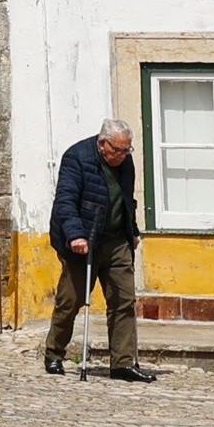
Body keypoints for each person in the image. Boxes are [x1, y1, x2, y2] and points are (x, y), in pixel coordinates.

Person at [46, 118, 156, 380]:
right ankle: (54, 353)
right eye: (119, 150)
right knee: (70, 301)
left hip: (117, 239)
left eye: (127, 149)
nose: (123, 155)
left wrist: (133, 231)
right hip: (83, 239)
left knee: (123, 301)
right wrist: (75, 235)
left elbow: (126, 199)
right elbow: (66, 200)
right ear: (103, 144)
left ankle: (122, 363)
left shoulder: (124, 161)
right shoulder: (77, 157)